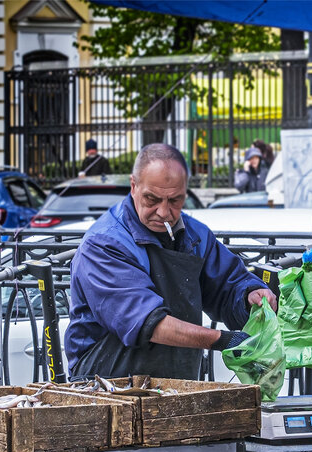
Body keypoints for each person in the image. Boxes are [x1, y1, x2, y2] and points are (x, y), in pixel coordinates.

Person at [65, 143, 275, 380]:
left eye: (174, 200)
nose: (164, 212)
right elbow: (145, 321)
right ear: (134, 187)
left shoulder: (195, 235)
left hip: (178, 385)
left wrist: (251, 296)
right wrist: (223, 340)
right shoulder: (103, 243)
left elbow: (227, 284)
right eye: (152, 199)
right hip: (105, 387)